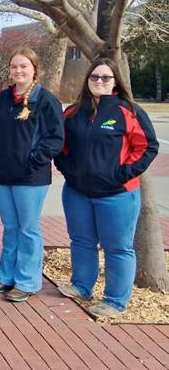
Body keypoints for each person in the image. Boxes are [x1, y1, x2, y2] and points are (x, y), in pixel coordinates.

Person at [54, 57, 158, 317]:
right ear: (87, 80)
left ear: (115, 82)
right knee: (81, 241)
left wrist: (121, 174)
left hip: (117, 195)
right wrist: (68, 169)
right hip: (78, 192)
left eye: (105, 78)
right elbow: (60, 146)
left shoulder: (129, 111)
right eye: (94, 77)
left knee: (118, 247)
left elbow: (147, 147)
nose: (99, 82)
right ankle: (81, 286)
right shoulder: (73, 113)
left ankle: (115, 300)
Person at [0, 48, 64, 302]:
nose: (18, 71)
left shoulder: (46, 100)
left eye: (24, 66)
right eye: (14, 66)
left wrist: (34, 160)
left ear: (34, 69)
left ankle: (27, 281)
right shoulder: (4, 99)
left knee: (28, 228)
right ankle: (7, 277)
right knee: (10, 228)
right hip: (3, 176)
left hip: (30, 177)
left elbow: (55, 138)